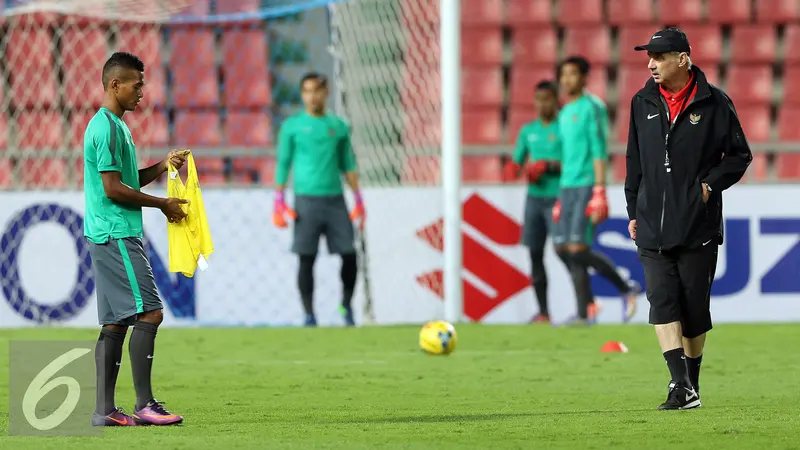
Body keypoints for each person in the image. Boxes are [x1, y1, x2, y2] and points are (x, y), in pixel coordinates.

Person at [625, 28, 752, 409]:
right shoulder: (640, 101)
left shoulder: (715, 103)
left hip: (697, 222)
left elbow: (739, 156)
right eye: (649, 57)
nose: (651, 64)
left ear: (683, 59)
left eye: (660, 57)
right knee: (661, 300)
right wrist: (633, 210)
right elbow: (634, 160)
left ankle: (689, 386)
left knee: (694, 309)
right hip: (651, 221)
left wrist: (710, 186)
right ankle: (679, 385)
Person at [86, 52, 187, 426]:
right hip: (116, 233)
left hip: (108, 232)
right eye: (137, 83)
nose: (143, 91)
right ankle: (145, 405)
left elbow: (125, 180)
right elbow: (113, 190)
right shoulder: (107, 128)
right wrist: (162, 204)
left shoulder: (116, 126)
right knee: (150, 312)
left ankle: (105, 411)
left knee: (115, 322)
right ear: (115, 84)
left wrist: (162, 166)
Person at [552, 56, 641, 326]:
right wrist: (559, 195)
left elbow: (599, 150)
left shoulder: (593, 107)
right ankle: (586, 309)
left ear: (584, 78)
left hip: (587, 184)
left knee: (578, 248)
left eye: (572, 74)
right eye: (563, 74)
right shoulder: (565, 111)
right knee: (561, 248)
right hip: (566, 186)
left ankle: (622, 289)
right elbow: (566, 154)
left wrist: (600, 190)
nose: (566, 80)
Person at [273, 72, 365, 327]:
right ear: (302, 95)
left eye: (317, 90)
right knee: (306, 257)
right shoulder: (292, 127)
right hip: (306, 201)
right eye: (307, 91)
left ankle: (345, 306)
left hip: (335, 200)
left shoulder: (338, 126)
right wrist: (278, 200)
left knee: (349, 254)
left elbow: (348, 163)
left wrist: (358, 199)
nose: (312, 96)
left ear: (326, 93)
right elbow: (283, 162)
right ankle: (309, 314)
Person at [504, 81, 563, 324]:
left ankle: (586, 306)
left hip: (559, 197)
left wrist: (548, 166)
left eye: (547, 98)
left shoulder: (564, 128)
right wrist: (518, 170)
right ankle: (544, 313)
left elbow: (575, 161)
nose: (542, 104)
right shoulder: (528, 131)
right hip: (534, 200)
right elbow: (515, 165)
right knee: (535, 255)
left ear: (555, 100)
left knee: (567, 252)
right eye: (538, 99)